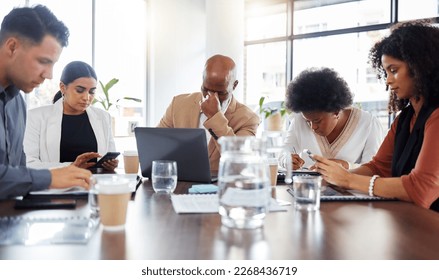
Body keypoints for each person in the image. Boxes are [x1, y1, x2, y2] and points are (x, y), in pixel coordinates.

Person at [313, 20, 439, 211]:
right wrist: (333, 178)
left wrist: (347, 179)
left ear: (420, 67)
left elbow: (421, 188)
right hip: (409, 223)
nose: (388, 81)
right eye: (386, 72)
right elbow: (379, 168)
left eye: (394, 70)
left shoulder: (437, 116)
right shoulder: (404, 119)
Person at [0, 5, 92, 199]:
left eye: (53, 64)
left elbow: (18, 173)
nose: (49, 75)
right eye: (43, 61)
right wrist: (49, 178)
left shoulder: (17, 103)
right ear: (12, 47)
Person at [157, 54, 260, 171]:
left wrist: (215, 117)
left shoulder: (248, 119)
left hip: (220, 187)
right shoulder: (178, 104)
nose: (211, 97)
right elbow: (156, 146)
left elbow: (239, 162)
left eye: (220, 93)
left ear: (234, 85)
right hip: (179, 183)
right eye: (206, 89)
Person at [280, 67, 385, 170]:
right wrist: (287, 160)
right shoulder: (300, 119)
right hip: (308, 187)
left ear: (336, 110)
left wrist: (346, 165)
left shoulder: (368, 124)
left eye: (317, 121)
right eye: (308, 122)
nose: (313, 127)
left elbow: (374, 170)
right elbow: (284, 153)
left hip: (349, 187)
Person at [24, 61, 118, 170]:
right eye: (80, 90)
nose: (86, 97)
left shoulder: (103, 117)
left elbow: (108, 156)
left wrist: (110, 165)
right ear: (63, 87)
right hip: (57, 184)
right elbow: (29, 163)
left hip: (95, 184)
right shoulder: (36, 117)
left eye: (92, 91)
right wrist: (71, 166)